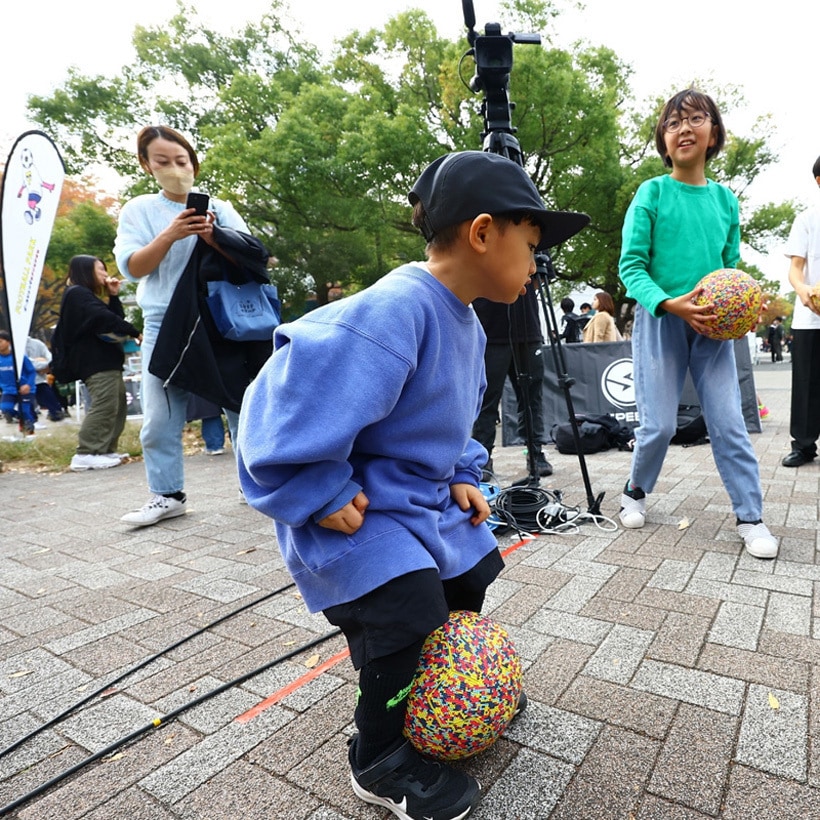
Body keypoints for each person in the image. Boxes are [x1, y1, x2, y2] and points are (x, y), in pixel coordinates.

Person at [237, 150, 582, 820]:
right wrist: (315, 487)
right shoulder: (397, 307)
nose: (538, 264)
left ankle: (451, 689)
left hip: (415, 503)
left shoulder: (466, 319)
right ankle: (381, 754)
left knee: (474, 566)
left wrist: (462, 473)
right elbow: (280, 397)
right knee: (407, 608)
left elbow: (450, 419)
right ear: (484, 233)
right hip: (356, 511)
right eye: (532, 244)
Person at [618, 88, 777, 559]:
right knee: (658, 426)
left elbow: (731, 268)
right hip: (661, 321)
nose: (684, 129)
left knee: (730, 424)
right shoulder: (651, 192)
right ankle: (635, 491)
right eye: (673, 123)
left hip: (713, 333)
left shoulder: (727, 201)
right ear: (663, 142)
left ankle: (751, 517)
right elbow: (632, 267)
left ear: (713, 134)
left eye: (695, 119)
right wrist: (670, 304)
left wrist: (745, 309)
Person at [114, 125, 256, 526]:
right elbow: (132, 267)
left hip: (218, 320)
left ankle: (254, 484)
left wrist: (216, 236)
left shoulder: (220, 207)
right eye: (162, 162)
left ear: (193, 164)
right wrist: (170, 234)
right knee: (160, 414)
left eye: (182, 161)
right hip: (163, 322)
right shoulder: (138, 210)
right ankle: (167, 494)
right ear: (146, 165)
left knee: (240, 406)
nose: (175, 168)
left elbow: (251, 256)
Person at [58, 255, 142, 471]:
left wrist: (113, 296)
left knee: (117, 405)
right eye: (100, 270)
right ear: (86, 271)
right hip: (94, 362)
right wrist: (135, 333)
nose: (105, 274)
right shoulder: (77, 293)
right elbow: (104, 318)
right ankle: (86, 452)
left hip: (107, 361)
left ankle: (105, 450)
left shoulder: (87, 296)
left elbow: (113, 318)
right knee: (104, 404)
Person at [472, 287, 552, 480]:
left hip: (527, 330)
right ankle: (483, 457)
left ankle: (535, 453)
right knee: (486, 400)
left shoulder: (536, 254)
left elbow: (540, 276)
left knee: (531, 399)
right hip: (489, 331)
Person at [781, 154, 820, 467]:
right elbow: (795, 269)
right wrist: (803, 290)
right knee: (806, 383)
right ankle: (804, 446)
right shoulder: (807, 219)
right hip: (810, 316)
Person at [0, 330, 37, 435]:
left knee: (24, 410)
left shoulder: (19, 357)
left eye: (1, 341)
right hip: (8, 390)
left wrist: (28, 385)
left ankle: (29, 429)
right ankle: (25, 419)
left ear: (8, 342)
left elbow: (31, 372)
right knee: (5, 408)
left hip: (24, 390)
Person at [25, 336, 65, 421]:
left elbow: (49, 357)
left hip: (38, 377)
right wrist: (45, 364)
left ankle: (56, 412)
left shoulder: (37, 343)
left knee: (44, 393)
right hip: (28, 378)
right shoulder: (13, 346)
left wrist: (47, 365)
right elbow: (27, 362)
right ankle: (30, 417)